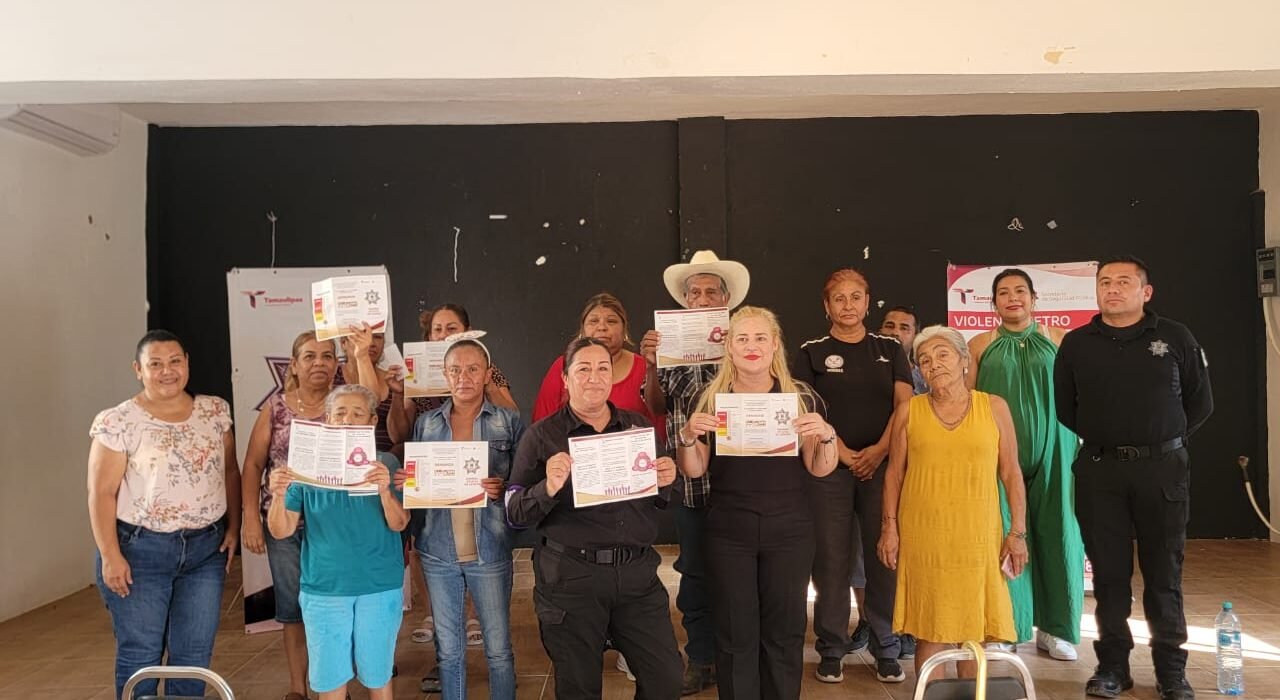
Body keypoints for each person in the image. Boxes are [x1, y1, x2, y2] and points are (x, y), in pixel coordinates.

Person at [1054, 256, 1212, 700]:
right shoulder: (1077, 343)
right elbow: (1066, 408)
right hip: (1100, 470)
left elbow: (1200, 402)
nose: (1113, 289)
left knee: (1164, 574)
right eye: (1105, 281)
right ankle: (1112, 667)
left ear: (1146, 291)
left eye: (1124, 281)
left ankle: (1171, 671)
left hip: (1162, 469)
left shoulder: (1174, 336)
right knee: (1109, 576)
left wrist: (1160, 439)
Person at [676, 306, 841, 699]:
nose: (752, 346)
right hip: (728, 528)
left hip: (790, 528)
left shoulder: (801, 397)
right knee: (734, 630)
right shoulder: (710, 398)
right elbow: (694, 470)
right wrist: (687, 437)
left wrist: (827, 435)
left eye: (760, 338)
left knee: (785, 630)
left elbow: (820, 469)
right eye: (743, 338)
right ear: (729, 347)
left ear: (775, 345)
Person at [506, 337, 683, 700]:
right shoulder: (542, 435)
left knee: (666, 680)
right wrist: (548, 487)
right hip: (572, 579)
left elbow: (664, 499)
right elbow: (514, 513)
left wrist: (668, 479)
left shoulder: (636, 428)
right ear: (565, 379)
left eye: (603, 368)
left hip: (637, 576)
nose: (594, 377)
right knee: (579, 689)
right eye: (583, 369)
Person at [88, 330, 241, 700]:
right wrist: (110, 555)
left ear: (187, 362)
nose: (167, 371)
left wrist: (234, 526)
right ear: (138, 370)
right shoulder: (119, 421)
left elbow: (229, 472)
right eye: (155, 364)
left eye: (174, 361)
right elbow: (101, 492)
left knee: (194, 652)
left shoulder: (214, 411)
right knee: (141, 652)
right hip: (140, 552)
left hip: (205, 551)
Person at [878, 325, 1029, 683]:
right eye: (924, 360)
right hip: (925, 536)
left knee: (974, 631)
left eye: (942, 354)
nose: (934, 364)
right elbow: (894, 475)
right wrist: (889, 529)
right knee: (930, 628)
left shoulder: (993, 407)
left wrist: (1017, 533)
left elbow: (1011, 472)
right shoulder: (909, 411)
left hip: (978, 536)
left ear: (964, 360)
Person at [638, 249, 750, 695]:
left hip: (743, 482)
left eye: (710, 292)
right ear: (685, 301)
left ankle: (737, 658)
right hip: (691, 482)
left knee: (741, 575)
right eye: (694, 293)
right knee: (695, 572)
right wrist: (652, 365)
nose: (701, 299)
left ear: (725, 299)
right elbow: (657, 406)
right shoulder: (670, 345)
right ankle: (701, 658)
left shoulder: (746, 340)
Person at [795, 270, 914, 684]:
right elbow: (806, 411)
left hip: (882, 467)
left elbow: (904, 406)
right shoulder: (811, 352)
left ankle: (887, 645)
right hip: (829, 468)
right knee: (831, 561)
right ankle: (832, 647)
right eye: (839, 298)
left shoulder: (889, 348)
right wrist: (844, 453)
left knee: (884, 558)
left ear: (867, 302)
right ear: (826, 306)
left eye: (856, 297)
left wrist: (879, 450)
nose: (848, 305)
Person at [967, 269, 1085, 660]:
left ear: (1034, 298)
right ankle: (1007, 626)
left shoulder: (1059, 338)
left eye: (1020, 290)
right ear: (993, 303)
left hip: (1056, 448)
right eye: (1003, 292)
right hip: (999, 453)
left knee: (1060, 532)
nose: (1012, 297)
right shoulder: (980, 344)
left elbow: (1082, 392)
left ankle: (1057, 629)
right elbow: (967, 400)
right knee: (1004, 533)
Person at [267, 384, 410, 700]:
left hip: (379, 585)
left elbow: (400, 523)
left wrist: (384, 492)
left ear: (372, 421)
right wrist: (277, 494)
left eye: (357, 413)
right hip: (324, 587)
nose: (347, 420)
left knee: (379, 675)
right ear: (327, 420)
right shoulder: (304, 467)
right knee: (329, 680)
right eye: (340, 413)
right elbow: (281, 530)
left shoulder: (386, 463)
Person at [403, 338, 523, 700]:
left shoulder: (507, 421)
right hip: (438, 549)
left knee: (498, 649)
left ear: (487, 375)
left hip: (490, 546)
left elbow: (524, 483)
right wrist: (409, 483)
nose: (463, 377)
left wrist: (503, 488)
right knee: (449, 651)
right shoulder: (426, 424)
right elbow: (417, 484)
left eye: (473, 369)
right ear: (445, 374)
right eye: (455, 370)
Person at [242, 330, 339, 700]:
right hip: (284, 524)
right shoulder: (276, 408)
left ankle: (333, 686)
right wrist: (251, 518)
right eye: (310, 356)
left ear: (336, 365)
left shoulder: (344, 405)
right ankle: (298, 689)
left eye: (327, 356)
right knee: (294, 606)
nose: (319, 363)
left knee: (333, 605)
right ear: (294, 365)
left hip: (334, 525)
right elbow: (253, 465)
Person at [532, 293, 665, 443]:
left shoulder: (645, 366)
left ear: (624, 330)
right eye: (593, 321)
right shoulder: (563, 365)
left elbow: (658, 424)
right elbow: (542, 424)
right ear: (582, 330)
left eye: (611, 321)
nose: (602, 327)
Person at [339, 324, 410, 454]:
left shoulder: (394, 379)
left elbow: (400, 437)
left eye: (377, 337)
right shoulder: (332, 375)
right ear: (343, 343)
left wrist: (397, 395)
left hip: (387, 458)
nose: (370, 343)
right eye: (361, 335)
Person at [879, 306, 928, 395]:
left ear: (915, 337)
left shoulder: (926, 378)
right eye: (889, 326)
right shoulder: (863, 368)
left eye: (904, 328)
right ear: (880, 331)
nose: (895, 333)